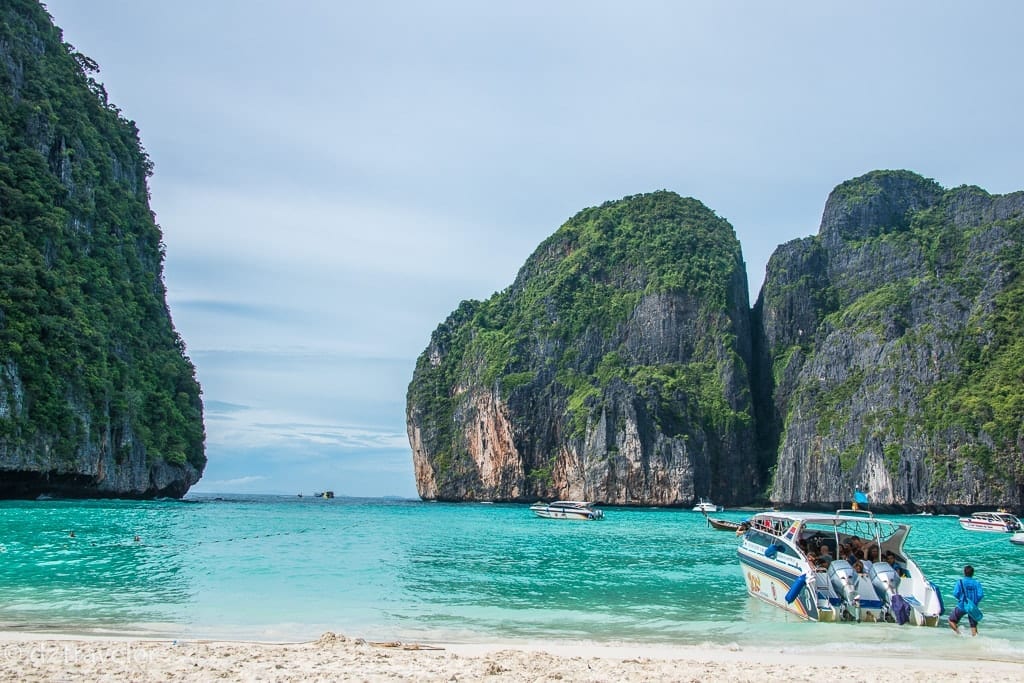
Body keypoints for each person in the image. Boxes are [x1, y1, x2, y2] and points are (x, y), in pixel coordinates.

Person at [949, 565, 984, 636]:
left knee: (951, 620)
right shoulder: (977, 583)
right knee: (973, 627)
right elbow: (980, 595)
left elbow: (955, 593)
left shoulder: (960, 582)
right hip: (972, 607)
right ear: (972, 573)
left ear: (964, 573)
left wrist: (961, 599)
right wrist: (975, 602)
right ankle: (975, 641)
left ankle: (960, 634)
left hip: (962, 605)